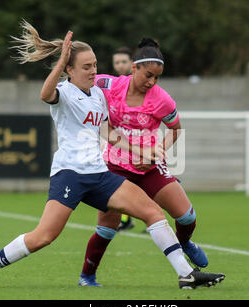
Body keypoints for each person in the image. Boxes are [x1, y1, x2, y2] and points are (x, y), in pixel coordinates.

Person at [0, 21, 225, 290]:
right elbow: (45, 94)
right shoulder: (65, 93)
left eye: (94, 65)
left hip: (99, 174)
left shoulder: (98, 96)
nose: (93, 71)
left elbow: (110, 134)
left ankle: (186, 275)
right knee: (44, 236)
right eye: (86, 66)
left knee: (152, 212)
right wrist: (59, 63)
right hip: (70, 174)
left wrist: (144, 151)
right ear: (69, 69)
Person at [78, 38, 210, 287]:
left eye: (157, 77)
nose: (152, 82)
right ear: (134, 68)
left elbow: (175, 129)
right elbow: (79, 81)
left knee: (186, 216)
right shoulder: (109, 85)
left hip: (149, 167)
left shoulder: (161, 99)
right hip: (115, 167)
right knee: (107, 227)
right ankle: (87, 277)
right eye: (148, 75)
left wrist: (157, 150)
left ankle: (184, 243)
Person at [111, 46, 134, 231]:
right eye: (117, 62)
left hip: (140, 141)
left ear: (132, 63)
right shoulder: (111, 86)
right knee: (120, 181)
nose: (120, 65)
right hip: (118, 141)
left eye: (123, 61)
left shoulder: (141, 85)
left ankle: (128, 219)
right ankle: (125, 219)